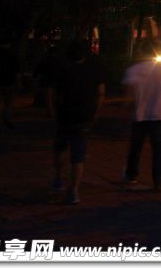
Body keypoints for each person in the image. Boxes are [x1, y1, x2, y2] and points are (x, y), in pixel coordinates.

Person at [122, 39, 161, 192]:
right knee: (158, 150)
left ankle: (132, 175)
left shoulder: (133, 70)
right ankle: (158, 181)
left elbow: (129, 95)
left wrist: (125, 108)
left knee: (135, 148)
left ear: (140, 52)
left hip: (140, 115)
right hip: (158, 115)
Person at [47, 40, 105, 204]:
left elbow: (50, 91)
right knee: (78, 156)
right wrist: (96, 113)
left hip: (64, 115)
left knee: (59, 149)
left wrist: (51, 110)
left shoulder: (62, 69)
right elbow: (101, 93)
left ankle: (58, 179)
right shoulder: (94, 70)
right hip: (84, 117)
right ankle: (74, 191)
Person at [0, 41, 20, 131]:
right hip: (10, 82)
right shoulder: (13, 56)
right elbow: (17, 71)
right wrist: (19, 83)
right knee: (8, 103)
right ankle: (6, 116)